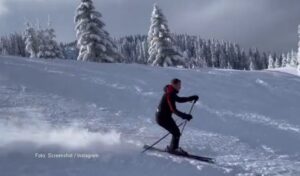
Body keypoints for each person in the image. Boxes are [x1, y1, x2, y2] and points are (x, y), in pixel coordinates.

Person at [155, 78, 199, 154]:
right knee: (176, 132)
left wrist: (191, 98)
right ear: (174, 85)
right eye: (179, 85)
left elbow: (179, 99)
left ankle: (173, 148)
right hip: (162, 118)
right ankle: (173, 149)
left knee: (176, 132)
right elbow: (173, 110)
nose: (180, 87)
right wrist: (185, 116)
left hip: (165, 117)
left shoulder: (170, 91)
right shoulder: (169, 94)